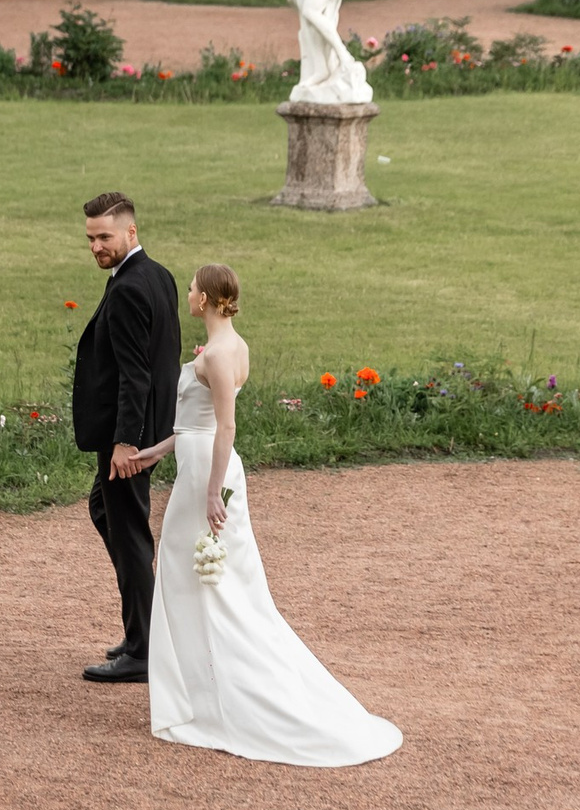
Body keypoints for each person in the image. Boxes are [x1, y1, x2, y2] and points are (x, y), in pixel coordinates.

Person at [130, 264, 402, 767]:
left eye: (192, 289)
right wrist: (156, 452)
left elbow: (225, 427)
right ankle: (201, 691)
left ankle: (214, 698)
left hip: (205, 479)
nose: (187, 295)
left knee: (198, 579)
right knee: (203, 580)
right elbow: (197, 425)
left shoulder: (215, 355)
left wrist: (213, 492)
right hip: (199, 467)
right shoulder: (236, 347)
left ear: (208, 297)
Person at [71, 192, 182, 684]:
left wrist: (125, 443)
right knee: (106, 511)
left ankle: (142, 649)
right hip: (153, 425)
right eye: (91, 238)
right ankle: (146, 624)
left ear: (131, 232)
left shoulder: (131, 289)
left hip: (132, 436)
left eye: (105, 237)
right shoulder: (157, 275)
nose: (96, 246)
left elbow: (136, 375)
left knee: (131, 534)